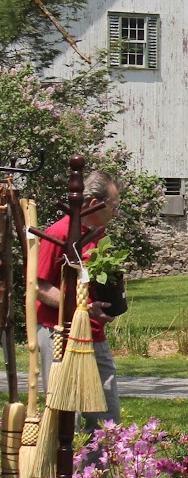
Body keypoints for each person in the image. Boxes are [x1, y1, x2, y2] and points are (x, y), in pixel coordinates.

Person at [34, 169, 122, 428]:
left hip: (93, 334)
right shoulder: (60, 233)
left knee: (106, 416)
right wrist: (82, 308)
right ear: (94, 204)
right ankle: (65, 456)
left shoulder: (97, 234)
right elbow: (38, 286)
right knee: (65, 416)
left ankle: (102, 456)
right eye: (114, 207)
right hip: (59, 334)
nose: (115, 214)